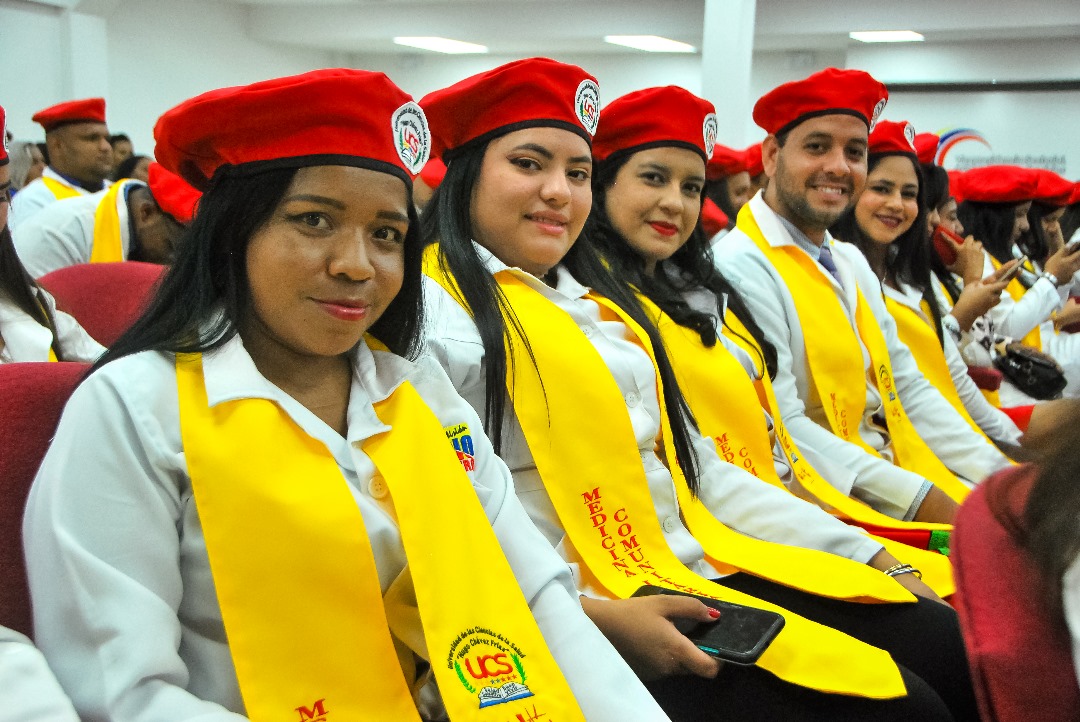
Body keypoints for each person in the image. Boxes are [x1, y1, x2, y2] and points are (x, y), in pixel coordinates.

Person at [22, 68, 664, 722]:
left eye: (386, 233)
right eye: (315, 220)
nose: (358, 264)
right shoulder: (135, 410)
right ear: (234, 232)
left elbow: (533, 593)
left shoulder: (413, 390)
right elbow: (121, 695)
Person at [421, 62, 974, 720]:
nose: (559, 192)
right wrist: (590, 618)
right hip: (591, 602)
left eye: (575, 173)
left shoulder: (584, 309)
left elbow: (691, 462)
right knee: (907, 706)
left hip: (690, 559)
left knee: (939, 641)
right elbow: (457, 518)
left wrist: (864, 552)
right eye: (529, 164)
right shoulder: (433, 320)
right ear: (465, 177)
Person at [714, 68, 1012, 526]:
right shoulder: (738, 263)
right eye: (817, 147)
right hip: (826, 497)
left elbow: (908, 389)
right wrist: (930, 502)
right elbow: (787, 426)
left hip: (895, 472)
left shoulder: (848, 260)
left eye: (855, 152)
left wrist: (1000, 477)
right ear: (772, 156)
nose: (838, 166)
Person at [827, 120, 1022, 452]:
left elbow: (947, 377)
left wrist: (1008, 445)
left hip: (945, 429)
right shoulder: (834, 272)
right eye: (881, 189)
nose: (898, 204)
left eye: (909, 194)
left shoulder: (913, 275)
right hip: (877, 447)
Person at [957, 165, 1080, 402]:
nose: (1025, 225)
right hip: (1019, 367)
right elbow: (1007, 328)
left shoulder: (1007, 251)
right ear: (994, 218)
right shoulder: (978, 260)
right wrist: (1052, 278)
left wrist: (1058, 276)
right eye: (1018, 215)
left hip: (1039, 355)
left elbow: (1050, 309)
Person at [0, 104, 103, 363]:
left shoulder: (29, 296)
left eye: (1, 194)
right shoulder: (37, 199)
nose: (104, 147)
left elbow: (99, 359)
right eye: (91, 138)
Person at [13, 160, 194, 277]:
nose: (173, 262)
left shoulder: (143, 224)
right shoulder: (60, 232)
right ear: (146, 213)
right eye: (171, 247)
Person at [10, 98, 113, 229]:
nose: (105, 147)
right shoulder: (34, 201)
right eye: (92, 138)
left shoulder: (119, 193)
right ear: (57, 146)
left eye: (107, 139)